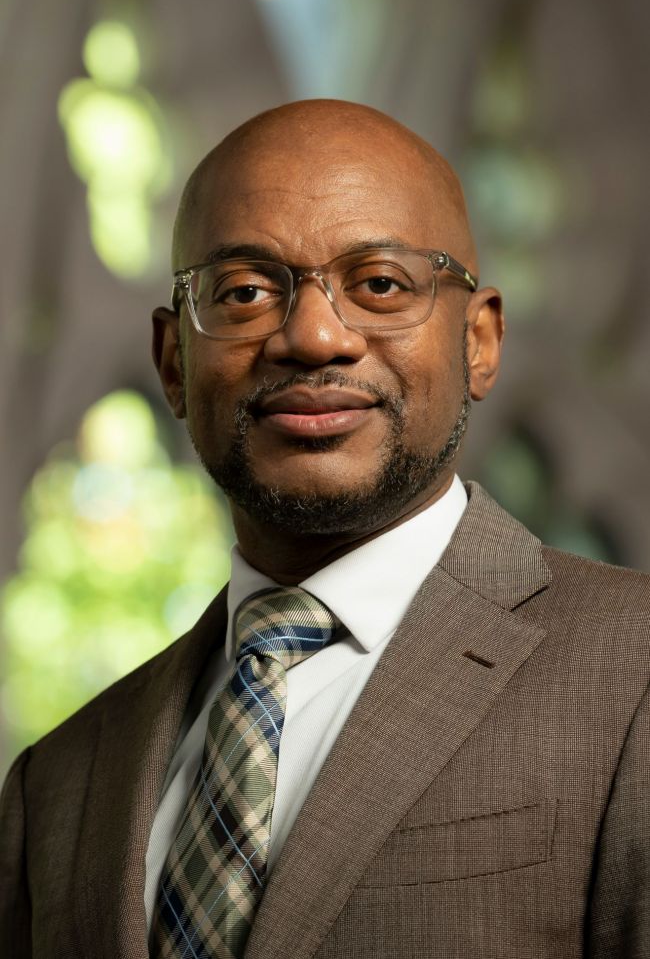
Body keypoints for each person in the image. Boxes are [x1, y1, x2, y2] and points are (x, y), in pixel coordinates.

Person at [1, 100, 649, 959]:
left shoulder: (633, 672)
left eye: (379, 283)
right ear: (171, 364)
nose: (312, 337)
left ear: (480, 341)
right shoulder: (57, 784)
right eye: (245, 292)